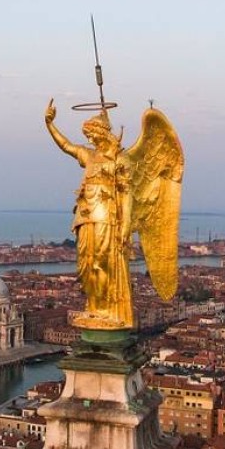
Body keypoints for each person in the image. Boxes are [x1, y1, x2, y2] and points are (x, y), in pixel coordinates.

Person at [44, 99, 134, 328]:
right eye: (89, 136)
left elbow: (127, 194)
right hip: (85, 215)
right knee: (86, 263)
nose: (90, 140)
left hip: (107, 216)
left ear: (103, 133)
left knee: (103, 263)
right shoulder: (88, 155)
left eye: (93, 135)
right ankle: (93, 307)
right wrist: (49, 124)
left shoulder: (120, 160)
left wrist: (126, 226)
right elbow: (66, 146)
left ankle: (107, 310)